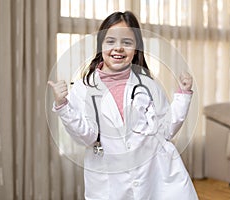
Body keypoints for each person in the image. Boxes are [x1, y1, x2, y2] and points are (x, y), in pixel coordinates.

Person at [48, 11, 198, 200]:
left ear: (136, 48)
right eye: (110, 41)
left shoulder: (147, 84)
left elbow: (166, 129)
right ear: (100, 45)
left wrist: (183, 95)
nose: (118, 48)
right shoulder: (83, 88)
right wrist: (63, 105)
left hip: (155, 175)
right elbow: (87, 137)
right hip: (110, 181)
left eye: (126, 42)